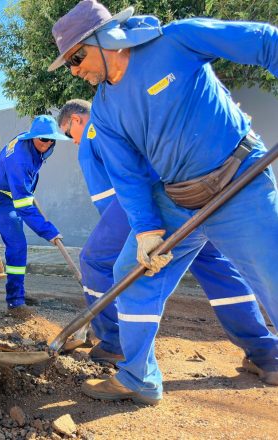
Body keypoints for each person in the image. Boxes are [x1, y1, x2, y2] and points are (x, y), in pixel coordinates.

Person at [49, 0, 278, 405]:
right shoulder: (104, 111)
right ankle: (139, 376)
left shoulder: (176, 40)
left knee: (273, 275)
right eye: (68, 63)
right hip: (180, 198)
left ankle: (270, 359)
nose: (74, 70)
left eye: (77, 56)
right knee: (132, 272)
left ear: (106, 38)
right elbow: (130, 178)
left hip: (240, 180)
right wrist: (148, 232)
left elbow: (265, 42)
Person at [58, 98, 278, 378]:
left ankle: (114, 343)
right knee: (220, 272)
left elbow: (110, 199)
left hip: (156, 205)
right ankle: (266, 354)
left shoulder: (94, 130)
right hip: (194, 196)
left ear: (77, 119)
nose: (73, 142)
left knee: (95, 259)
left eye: (68, 134)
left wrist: (139, 231)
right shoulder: (133, 114)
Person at [0, 115, 70, 319]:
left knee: (19, 244)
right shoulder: (20, 159)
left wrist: (26, 191)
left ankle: (18, 293)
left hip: (11, 193)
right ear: (33, 137)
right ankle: (15, 302)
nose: (47, 144)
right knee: (17, 244)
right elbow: (25, 207)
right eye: (43, 139)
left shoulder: (31, 145)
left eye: (51, 139)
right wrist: (49, 232)